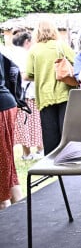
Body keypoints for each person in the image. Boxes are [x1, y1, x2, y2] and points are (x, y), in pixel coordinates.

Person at [25, 20, 76, 156]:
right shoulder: (61, 46)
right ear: (54, 31)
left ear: (37, 32)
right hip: (65, 94)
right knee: (66, 131)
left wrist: (42, 73)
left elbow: (28, 75)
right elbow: (75, 65)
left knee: (49, 133)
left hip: (44, 96)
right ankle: (69, 161)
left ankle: (52, 165)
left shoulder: (34, 50)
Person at [11, 28, 44, 160]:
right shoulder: (26, 54)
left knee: (23, 124)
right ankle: (39, 150)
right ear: (27, 41)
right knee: (35, 122)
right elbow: (25, 75)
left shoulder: (10, 53)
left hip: (17, 95)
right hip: (29, 94)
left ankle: (26, 153)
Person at [0, 50, 24, 210]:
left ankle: (6, 208)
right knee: (7, 164)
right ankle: (21, 213)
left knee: (3, 165)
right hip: (6, 103)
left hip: (2, 106)